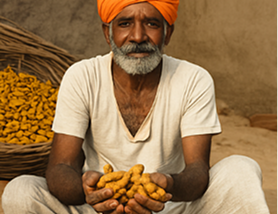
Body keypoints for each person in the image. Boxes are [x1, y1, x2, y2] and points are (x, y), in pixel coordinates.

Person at [2, 0, 270, 213]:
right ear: (107, 33)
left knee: (242, 168)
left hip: (170, 206)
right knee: (21, 191)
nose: (138, 36)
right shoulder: (82, 76)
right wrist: (86, 191)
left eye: (152, 23)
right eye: (125, 23)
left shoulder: (193, 79)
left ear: (168, 33)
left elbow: (198, 171)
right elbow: (60, 167)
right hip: (97, 208)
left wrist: (169, 185)